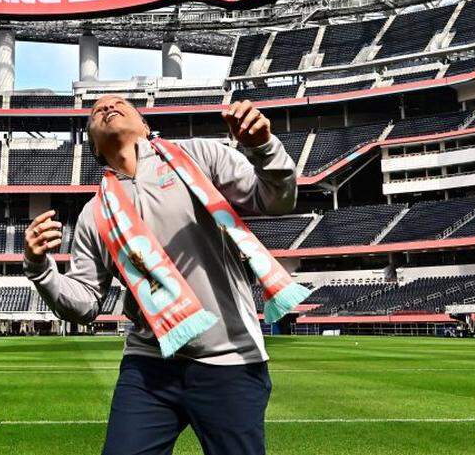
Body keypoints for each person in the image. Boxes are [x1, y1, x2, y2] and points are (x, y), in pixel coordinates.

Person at [23, 95, 298, 455]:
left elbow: (277, 199)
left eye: (120, 102)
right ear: (92, 143)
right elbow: (86, 302)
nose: (107, 107)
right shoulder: (94, 215)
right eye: (96, 111)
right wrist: (39, 268)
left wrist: (263, 146)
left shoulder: (199, 157)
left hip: (228, 358)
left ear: (145, 125)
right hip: (149, 364)